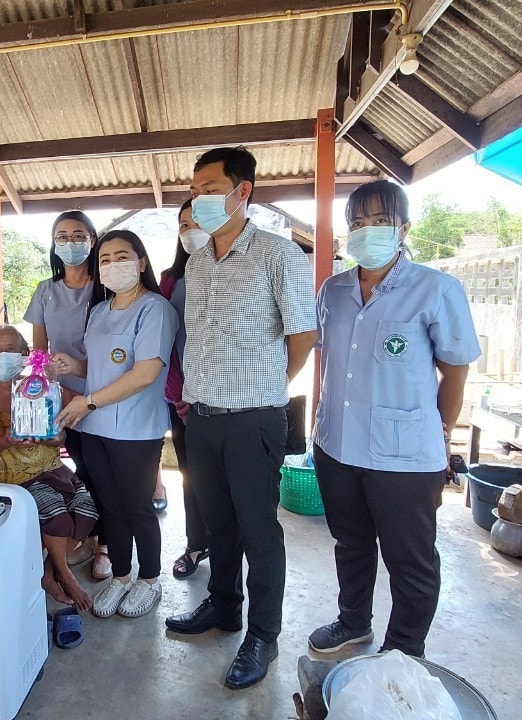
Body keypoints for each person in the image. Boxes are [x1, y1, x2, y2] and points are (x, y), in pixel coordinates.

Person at [164, 147, 316, 690]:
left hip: (254, 419)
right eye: (194, 189)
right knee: (218, 524)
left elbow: (303, 336)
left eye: (209, 188)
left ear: (241, 190)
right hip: (202, 419)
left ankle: (263, 635)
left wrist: (268, 387)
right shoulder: (199, 260)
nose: (199, 197)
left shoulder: (278, 254)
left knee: (258, 530)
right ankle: (224, 605)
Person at [309, 180, 479, 660]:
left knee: (410, 559)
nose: (368, 231)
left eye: (380, 221)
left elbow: (455, 372)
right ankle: (353, 622)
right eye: (358, 223)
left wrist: (442, 433)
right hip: (337, 444)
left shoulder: (436, 290)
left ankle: (403, 650)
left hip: (404, 457)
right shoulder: (334, 290)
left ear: (403, 227)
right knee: (350, 543)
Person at [53, 230, 177, 620]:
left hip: (136, 429)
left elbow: (145, 373)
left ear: (141, 262)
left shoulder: (155, 309)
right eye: (104, 260)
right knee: (111, 506)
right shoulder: (99, 311)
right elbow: (100, 369)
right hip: (95, 427)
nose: (112, 265)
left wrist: (87, 401)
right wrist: (73, 367)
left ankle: (150, 579)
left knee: (137, 507)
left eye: (122, 257)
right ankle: (121, 577)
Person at [0, 324, 99, 611]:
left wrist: (56, 437)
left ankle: (48, 572)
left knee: (88, 510)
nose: (3, 355)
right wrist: (4, 441)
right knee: (56, 515)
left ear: (25, 354)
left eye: (11, 349)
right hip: (9, 476)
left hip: (51, 468)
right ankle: (65, 574)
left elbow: (64, 429)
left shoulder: (40, 386)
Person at [24, 211, 109, 579]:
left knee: (106, 473)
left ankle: (107, 546)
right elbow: (38, 352)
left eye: (78, 235)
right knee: (83, 469)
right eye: (62, 236)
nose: (70, 243)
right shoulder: (46, 290)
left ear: (92, 239)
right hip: (64, 400)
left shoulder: (105, 287)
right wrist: (44, 391)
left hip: (105, 394)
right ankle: (91, 536)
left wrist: (83, 378)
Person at [161, 199, 210, 579]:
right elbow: (165, 341)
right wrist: (180, 394)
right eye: (183, 225)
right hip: (182, 398)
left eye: (198, 222)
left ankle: (229, 547)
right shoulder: (170, 280)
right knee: (192, 475)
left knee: (226, 482)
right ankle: (196, 544)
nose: (190, 230)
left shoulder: (239, 272)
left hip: (229, 397)